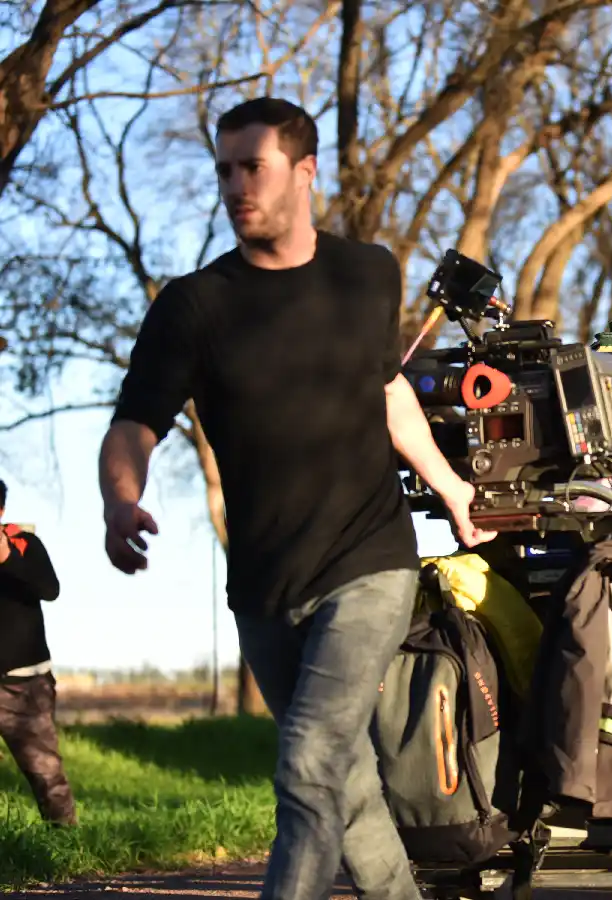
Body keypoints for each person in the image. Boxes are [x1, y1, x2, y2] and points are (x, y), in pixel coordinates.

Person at [97, 97, 494, 900]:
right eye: (224, 171)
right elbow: (135, 422)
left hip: (369, 561)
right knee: (344, 789)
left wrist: (452, 488)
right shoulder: (194, 306)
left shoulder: (367, 274)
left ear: (304, 171)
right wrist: (119, 500)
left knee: (309, 760)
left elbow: (387, 390)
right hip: (264, 586)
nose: (235, 186)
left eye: (253, 167)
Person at [0, 479, 77, 827]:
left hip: (24, 686)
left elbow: (50, 589)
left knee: (46, 775)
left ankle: (65, 845)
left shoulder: (24, 544)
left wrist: (7, 559)